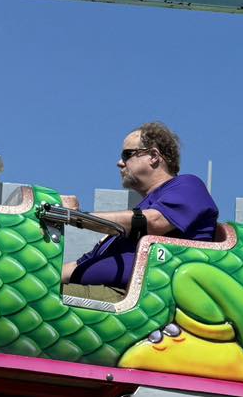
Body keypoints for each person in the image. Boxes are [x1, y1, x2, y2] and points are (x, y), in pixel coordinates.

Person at [62, 122, 218, 299]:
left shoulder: (189, 186)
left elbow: (154, 222)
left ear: (153, 156)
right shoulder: (138, 212)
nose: (119, 163)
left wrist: (74, 216)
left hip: (137, 300)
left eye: (127, 155)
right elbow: (75, 267)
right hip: (102, 295)